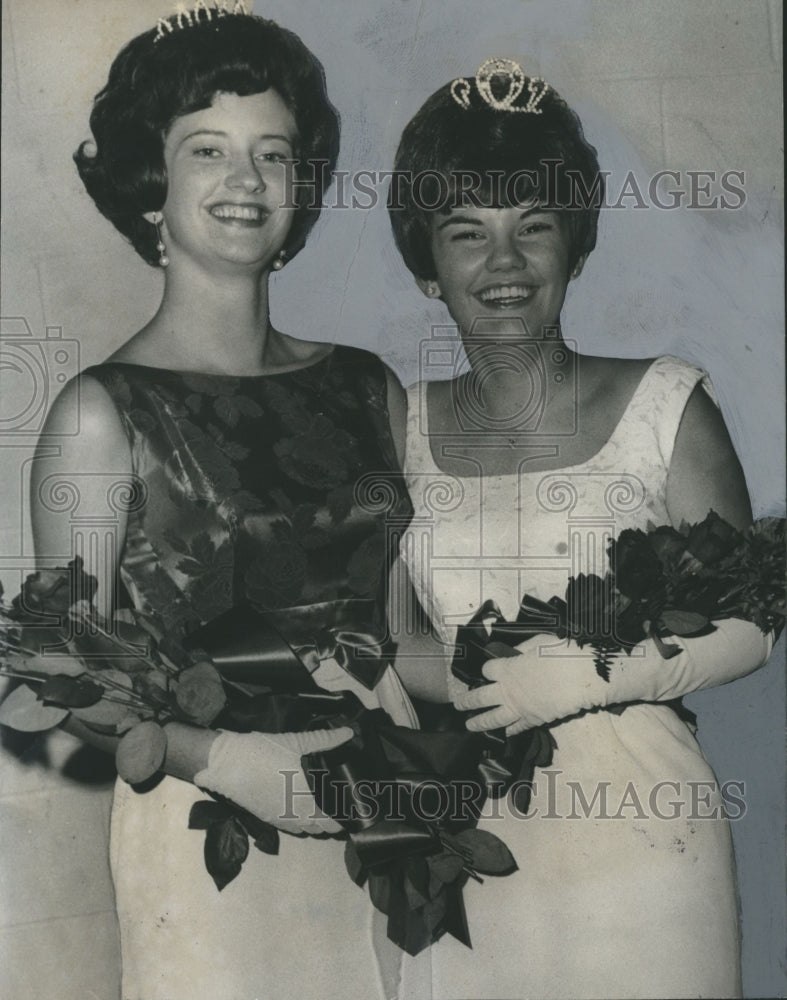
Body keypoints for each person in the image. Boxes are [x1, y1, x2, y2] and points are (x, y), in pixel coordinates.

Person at [29, 7, 414, 999]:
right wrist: (237, 760)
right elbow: (68, 678)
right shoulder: (100, 414)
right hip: (211, 838)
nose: (245, 182)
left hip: (386, 818)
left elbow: (406, 631)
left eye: (272, 155)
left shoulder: (369, 388)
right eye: (209, 151)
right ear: (151, 185)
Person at [385, 59, 774, 999]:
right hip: (468, 841)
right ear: (429, 269)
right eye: (466, 234)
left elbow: (757, 617)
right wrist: (475, 678)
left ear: (576, 246)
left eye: (535, 228)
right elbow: (393, 639)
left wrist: (593, 671)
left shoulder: (662, 402)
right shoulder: (397, 428)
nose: (504, 265)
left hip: (644, 830)